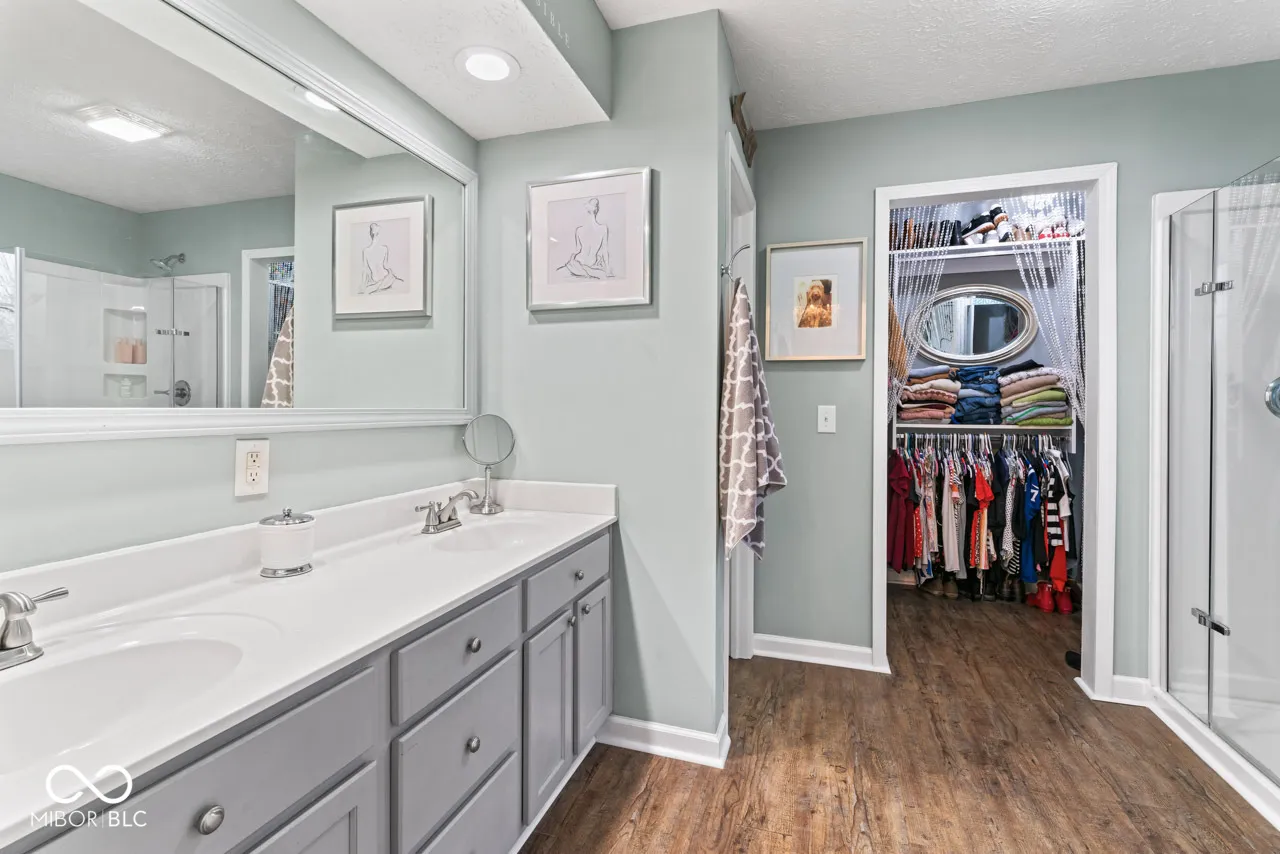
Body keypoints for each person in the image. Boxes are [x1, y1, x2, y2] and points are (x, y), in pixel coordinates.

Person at [558, 198, 613, 279]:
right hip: (589, 264)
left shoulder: (579, 230)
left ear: (587, 211)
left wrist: (571, 258)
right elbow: (605, 250)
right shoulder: (603, 228)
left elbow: (577, 250)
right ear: (597, 210)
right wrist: (607, 269)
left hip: (578, 262)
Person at [361, 222, 403, 293]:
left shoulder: (366, 251)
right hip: (385, 278)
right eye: (380, 234)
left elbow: (365, 270)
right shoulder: (384, 248)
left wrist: (363, 286)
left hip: (378, 279)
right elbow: (386, 265)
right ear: (377, 234)